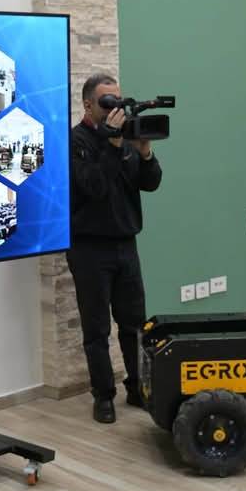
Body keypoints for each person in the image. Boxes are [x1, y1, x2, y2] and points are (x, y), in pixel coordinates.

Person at [68, 73, 162, 423]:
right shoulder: (75, 142)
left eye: (118, 100)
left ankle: (138, 388)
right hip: (89, 248)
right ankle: (103, 396)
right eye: (107, 102)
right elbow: (93, 186)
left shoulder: (125, 139)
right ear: (88, 104)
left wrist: (145, 152)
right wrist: (110, 145)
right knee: (97, 330)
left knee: (135, 325)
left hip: (126, 244)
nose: (114, 108)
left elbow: (150, 183)